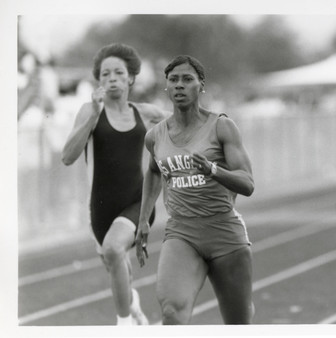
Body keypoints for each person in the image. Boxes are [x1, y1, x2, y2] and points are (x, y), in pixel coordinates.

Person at [135, 55, 255, 325]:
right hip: (182, 233)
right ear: (166, 87)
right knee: (172, 312)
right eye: (173, 80)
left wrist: (213, 170)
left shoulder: (222, 127)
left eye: (187, 79)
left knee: (239, 323)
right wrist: (143, 219)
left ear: (201, 86)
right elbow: (154, 171)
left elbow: (247, 183)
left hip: (224, 233)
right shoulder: (155, 136)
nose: (179, 85)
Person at [61, 43, 167, 325]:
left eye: (118, 72)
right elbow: (67, 157)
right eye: (105, 74)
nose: (111, 79)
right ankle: (132, 304)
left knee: (113, 249)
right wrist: (94, 117)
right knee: (118, 268)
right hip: (100, 209)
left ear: (131, 77)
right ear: (99, 80)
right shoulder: (89, 111)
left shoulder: (147, 113)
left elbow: (183, 133)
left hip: (137, 202)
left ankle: (123, 325)